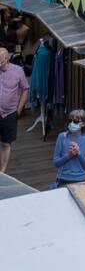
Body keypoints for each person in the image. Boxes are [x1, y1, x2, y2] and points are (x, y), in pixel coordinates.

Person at [0, 45, 29, 174]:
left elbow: (25, 89)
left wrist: (19, 109)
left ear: (6, 58)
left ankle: (2, 172)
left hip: (10, 113)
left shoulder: (18, 71)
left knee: (6, 143)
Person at [52, 109, 85, 187]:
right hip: (63, 179)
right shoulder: (62, 137)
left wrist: (78, 153)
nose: (72, 123)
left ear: (83, 124)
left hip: (80, 180)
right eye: (70, 120)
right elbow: (56, 163)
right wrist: (68, 156)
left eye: (75, 121)